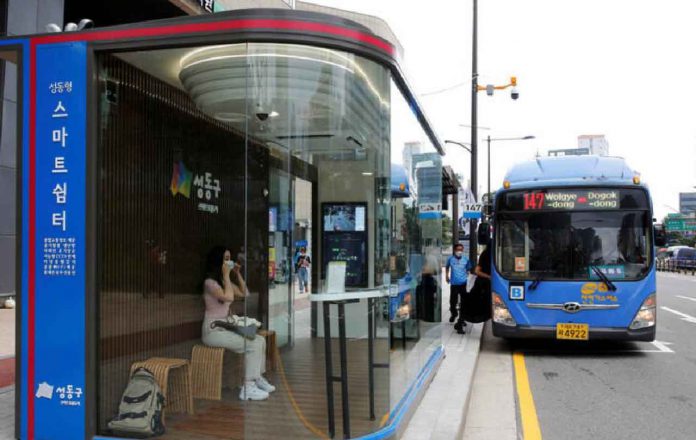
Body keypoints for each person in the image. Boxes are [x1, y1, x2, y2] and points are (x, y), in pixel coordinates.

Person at [201, 246, 275, 401]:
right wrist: (227, 276)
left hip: (225, 328)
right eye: (226, 259)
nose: (229, 262)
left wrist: (237, 273)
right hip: (213, 331)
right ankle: (248, 388)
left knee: (260, 340)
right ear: (218, 261)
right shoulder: (210, 283)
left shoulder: (223, 281)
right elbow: (228, 297)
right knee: (253, 344)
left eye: (230, 259)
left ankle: (256, 378)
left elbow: (245, 293)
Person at [455, 243, 492, 334]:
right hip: (481, 285)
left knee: (474, 304)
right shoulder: (486, 254)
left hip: (486, 285)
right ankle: (460, 322)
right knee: (472, 304)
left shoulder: (493, 253)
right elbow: (477, 271)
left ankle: (460, 321)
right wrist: (488, 277)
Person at [446, 243, 473, 324]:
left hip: (463, 284)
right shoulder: (450, 259)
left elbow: (469, 269)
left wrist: (468, 277)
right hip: (454, 284)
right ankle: (454, 313)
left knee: (464, 302)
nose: (459, 251)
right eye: (458, 249)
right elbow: (447, 267)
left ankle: (462, 318)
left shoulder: (466, 259)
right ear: (454, 250)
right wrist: (446, 276)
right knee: (452, 301)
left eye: (461, 249)